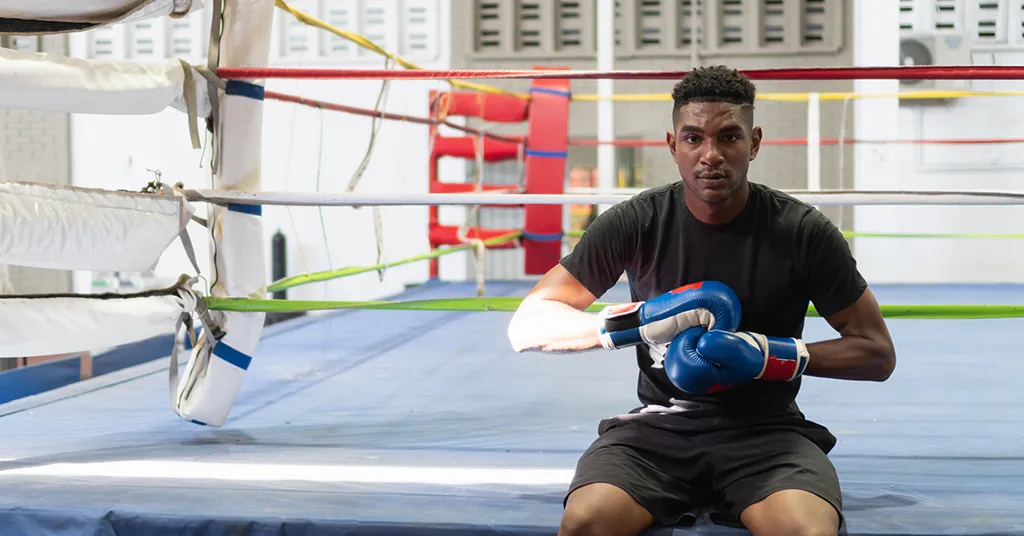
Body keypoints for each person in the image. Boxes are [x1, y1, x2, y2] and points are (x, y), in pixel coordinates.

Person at [506, 65, 897, 536]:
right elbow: (528, 324)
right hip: (658, 432)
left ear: (754, 143)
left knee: (807, 532)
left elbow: (877, 352)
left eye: (729, 137)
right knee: (585, 524)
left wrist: (768, 356)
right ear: (673, 145)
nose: (710, 155)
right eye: (693, 138)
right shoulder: (637, 222)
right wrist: (638, 322)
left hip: (767, 434)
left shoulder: (801, 231)